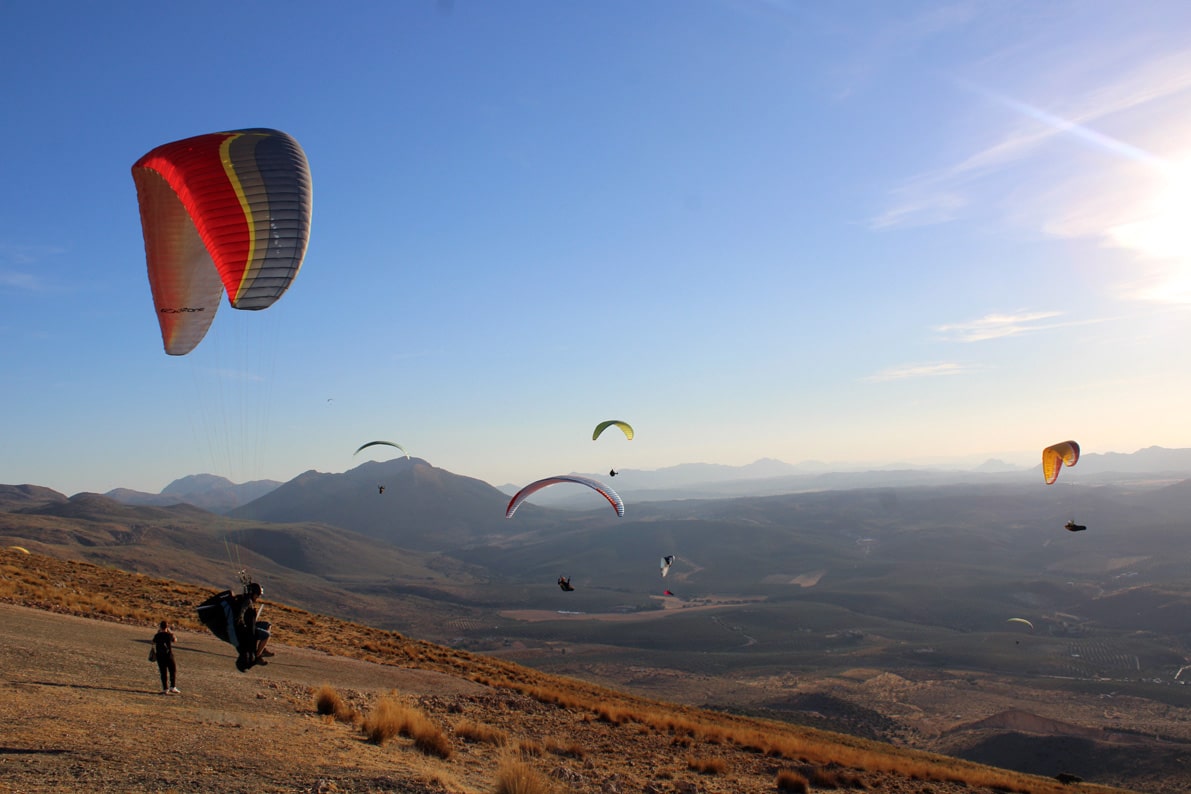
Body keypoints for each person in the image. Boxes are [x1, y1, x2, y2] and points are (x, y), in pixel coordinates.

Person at [232, 582, 273, 672]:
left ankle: (262, 649)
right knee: (267, 635)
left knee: (267, 625)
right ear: (253, 593)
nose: (257, 597)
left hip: (251, 625)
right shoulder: (246, 602)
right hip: (247, 628)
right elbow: (241, 614)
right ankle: (257, 656)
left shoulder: (247, 600)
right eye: (257, 595)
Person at [152, 620, 179, 694]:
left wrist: (158, 633)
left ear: (160, 627)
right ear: (167, 627)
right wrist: (170, 632)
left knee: (163, 672)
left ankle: (165, 688)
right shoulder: (169, 635)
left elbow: (153, 642)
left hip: (160, 656)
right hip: (168, 656)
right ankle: (172, 687)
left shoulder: (157, 635)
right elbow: (175, 640)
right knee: (172, 671)